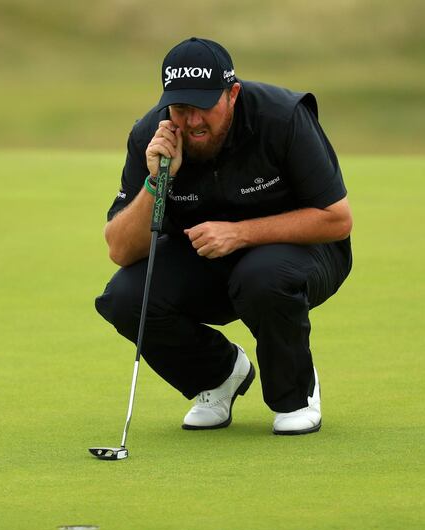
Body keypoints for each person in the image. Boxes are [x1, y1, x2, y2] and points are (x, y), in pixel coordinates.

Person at [95, 37, 353, 435]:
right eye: (181, 109)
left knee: (262, 276)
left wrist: (240, 233)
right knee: (125, 298)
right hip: (208, 259)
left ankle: (295, 395)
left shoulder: (282, 118)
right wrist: (156, 182)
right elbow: (120, 249)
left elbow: (336, 219)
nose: (192, 121)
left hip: (305, 253)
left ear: (232, 94)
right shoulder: (153, 135)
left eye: (204, 107)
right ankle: (217, 375)